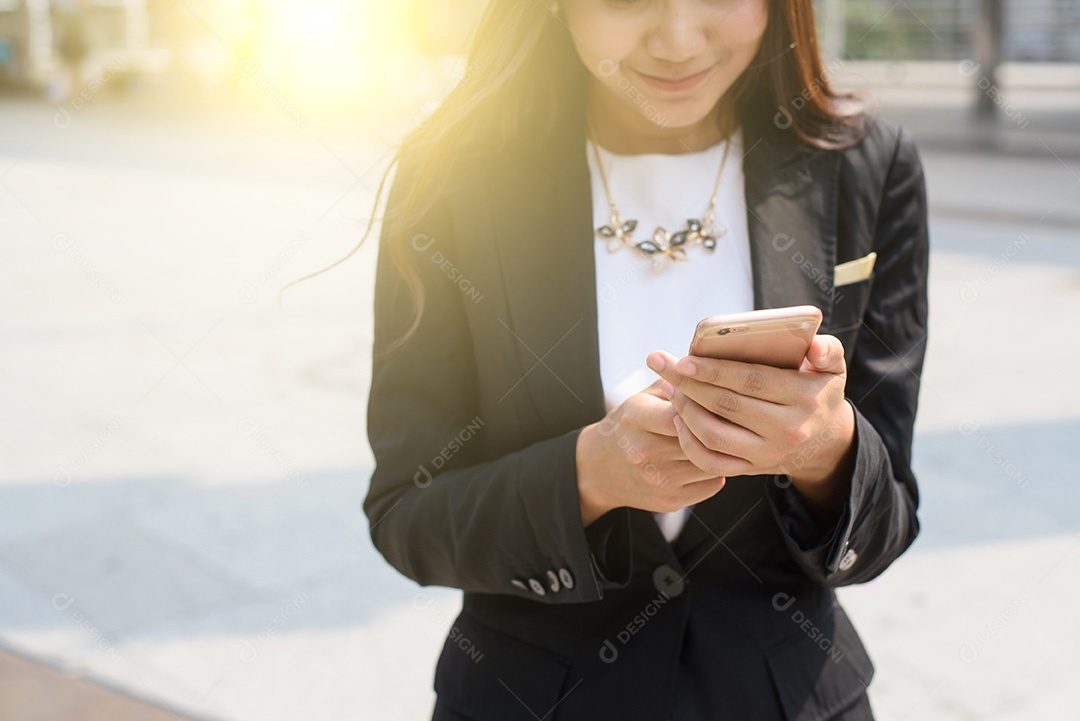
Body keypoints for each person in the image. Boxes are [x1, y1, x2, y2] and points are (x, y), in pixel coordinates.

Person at [358, 1, 928, 719]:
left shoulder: (866, 166)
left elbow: (888, 521)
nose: (679, 39)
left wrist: (824, 449)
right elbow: (407, 515)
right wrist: (590, 474)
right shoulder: (454, 176)